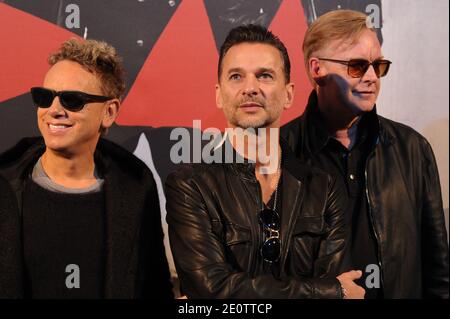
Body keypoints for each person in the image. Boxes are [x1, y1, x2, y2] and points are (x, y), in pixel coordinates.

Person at [165, 24, 365, 299]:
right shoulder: (190, 186)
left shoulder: (324, 186)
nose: (250, 88)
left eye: (265, 76)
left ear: (289, 94)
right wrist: (330, 291)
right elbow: (212, 290)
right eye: (236, 76)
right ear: (218, 94)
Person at [282, 10, 449, 298]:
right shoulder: (280, 152)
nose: (372, 78)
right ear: (316, 69)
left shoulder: (412, 149)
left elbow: (437, 269)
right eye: (357, 66)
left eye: (378, 66)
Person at [0, 38, 173, 299]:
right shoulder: (4, 184)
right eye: (45, 98)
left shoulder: (136, 186)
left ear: (109, 112)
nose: (54, 110)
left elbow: (154, 286)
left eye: (72, 100)